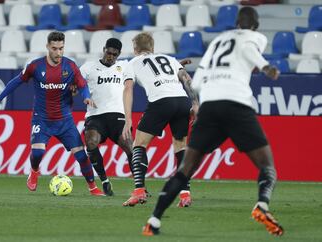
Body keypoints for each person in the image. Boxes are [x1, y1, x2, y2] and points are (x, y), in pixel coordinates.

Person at [142, 7, 284, 237]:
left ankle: (153, 220)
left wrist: (198, 104)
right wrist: (265, 66)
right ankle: (262, 206)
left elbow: (197, 80)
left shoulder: (218, 40)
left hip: (209, 107)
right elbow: (248, 48)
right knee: (267, 167)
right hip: (236, 104)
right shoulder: (256, 37)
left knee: (185, 170)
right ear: (255, 25)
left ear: (237, 23)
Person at [0, 31, 105, 196]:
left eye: (61, 48)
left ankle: (93, 188)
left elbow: (82, 85)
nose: (58, 52)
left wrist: (86, 97)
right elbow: (17, 81)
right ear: (48, 47)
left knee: (82, 156)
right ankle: (34, 171)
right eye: (54, 48)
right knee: (38, 153)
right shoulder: (35, 66)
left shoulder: (70, 66)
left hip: (65, 121)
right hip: (42, 119)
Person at [122, 32, 199, 207]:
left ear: (135, 49)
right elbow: (187, 79)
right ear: (153, 48)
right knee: (181, 147)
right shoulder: (169, 59)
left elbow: (128, 89)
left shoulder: (132, 63)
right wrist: (195, 103)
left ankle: (139, 191)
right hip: (182, 101)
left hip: (160, 101)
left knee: (139, 144)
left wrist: (128, 118)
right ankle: (185, 193)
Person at [79, 38, 133, 196]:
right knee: (90, 142)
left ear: (119, 54)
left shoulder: (125, 66)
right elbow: (77, 84)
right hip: (96, 115)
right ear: (104, 49)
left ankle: (140, 186)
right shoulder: (88, 67)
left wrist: (176, 65)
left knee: (130, 147)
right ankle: (104, 181)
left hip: (118, 115)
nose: (110, 57)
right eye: (108, 53)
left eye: (114, 54)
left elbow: (147, 64)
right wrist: (78, 91)